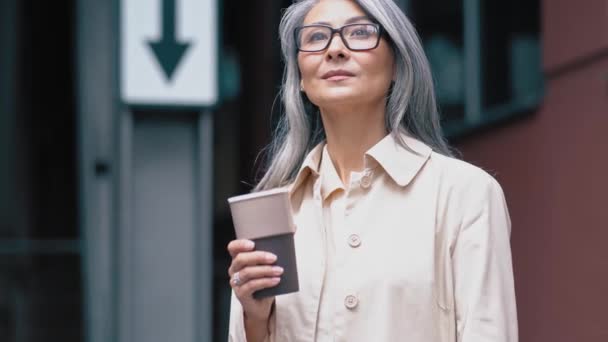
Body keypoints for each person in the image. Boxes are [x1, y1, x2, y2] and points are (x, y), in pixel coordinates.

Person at [226, 0, 518, 341]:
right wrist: (256, 320)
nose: (335, 49)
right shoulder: (274, 211)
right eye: (317, 37)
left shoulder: (464, 194)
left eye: (360, 32)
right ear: (300, 77)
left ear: (397, 64)